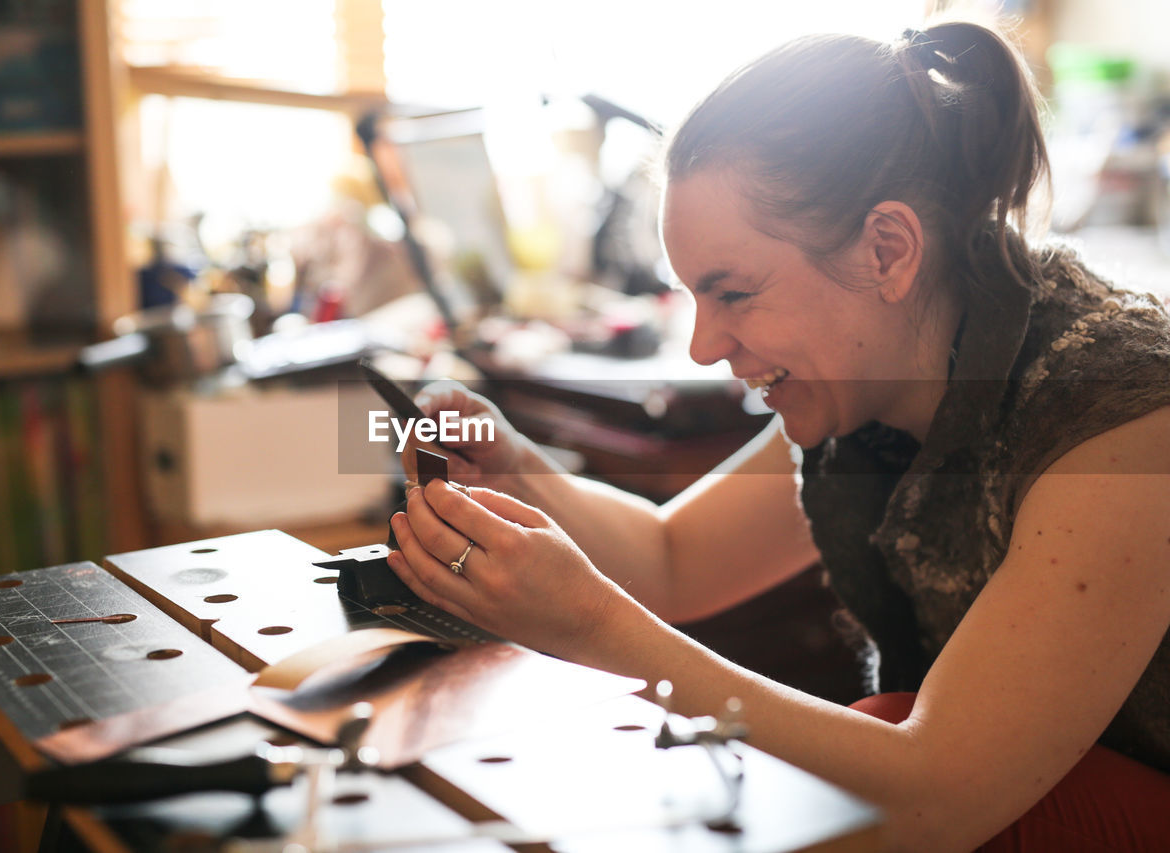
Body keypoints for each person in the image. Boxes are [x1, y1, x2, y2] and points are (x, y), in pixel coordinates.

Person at [383, 20, 1170, 852]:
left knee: (871, 737)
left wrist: (590, 628)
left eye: (733, 292)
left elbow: (935, 795)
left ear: (888, 250)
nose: (703, 345)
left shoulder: (1118, 415)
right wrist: (518, 470)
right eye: (692, 295)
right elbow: (672, 558)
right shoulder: (871, 377)